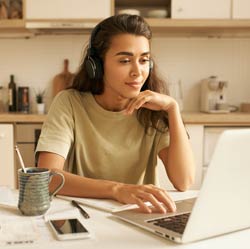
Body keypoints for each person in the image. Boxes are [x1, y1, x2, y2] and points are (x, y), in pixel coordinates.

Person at [36, 14, 195, 214]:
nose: (138, 71)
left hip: (141, 215)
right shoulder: (70, 102)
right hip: (86, 215)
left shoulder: (154, 109)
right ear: (97, 66)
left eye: (144, 60)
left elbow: (184, 181)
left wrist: (172, 109)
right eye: (125, 60)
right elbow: (47, 177)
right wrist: (117, 190)